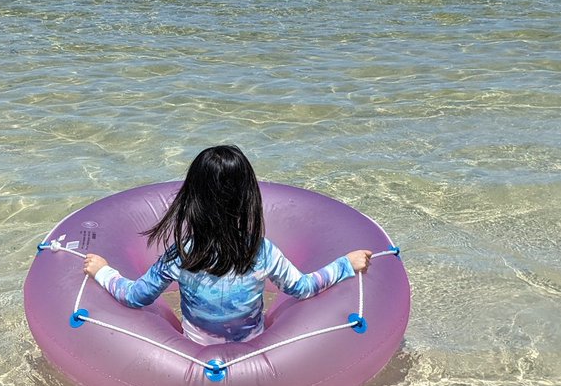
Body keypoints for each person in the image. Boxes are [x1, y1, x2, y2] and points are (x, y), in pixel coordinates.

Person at [83, 145, 371, 347]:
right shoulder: (261, 251)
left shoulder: (181, 256)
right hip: (254, 348)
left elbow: (136, 296)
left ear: (192, 199)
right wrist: (345, 265)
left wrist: (103, 272)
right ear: (248, 198)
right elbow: (303, 288)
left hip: (195, 353)